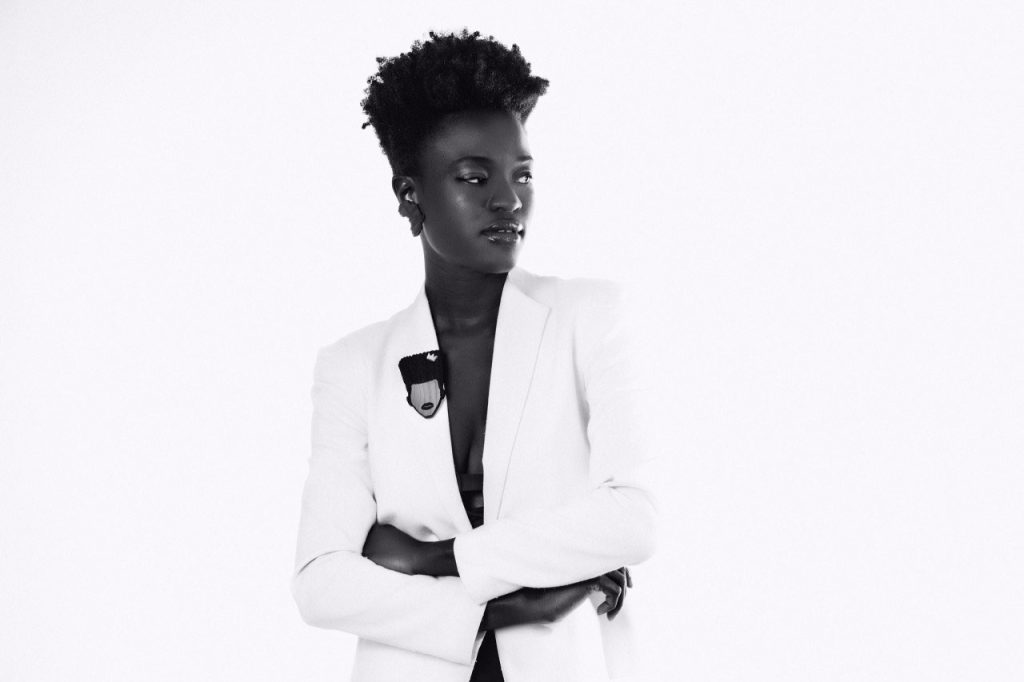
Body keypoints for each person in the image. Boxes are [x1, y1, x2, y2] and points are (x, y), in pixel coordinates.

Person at [292, 30, 657, 682]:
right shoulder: (353, 366)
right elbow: (321, 582)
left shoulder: (591, 319)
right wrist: (510, 603)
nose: (508, 200)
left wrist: (433, 559)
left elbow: (634, 520)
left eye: (522, 174)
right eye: (474, 176)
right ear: (409, 195)